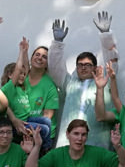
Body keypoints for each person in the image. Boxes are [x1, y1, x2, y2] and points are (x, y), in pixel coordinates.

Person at [49, 14, 117, 149]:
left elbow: (112, 61)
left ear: (95, 67)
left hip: (96, 141)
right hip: (68, 142)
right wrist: (57, 44)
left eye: (87, 65)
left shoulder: (104, 82)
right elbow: (55, 68)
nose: (83, 68)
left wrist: (106, 35)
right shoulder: (69, 83)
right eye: (80, 65)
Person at [0, 38, 53, 151]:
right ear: (10, 75)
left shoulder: (23, 87)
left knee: (47, 122)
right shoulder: (9, 88)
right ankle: (44, 148)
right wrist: (21, 52)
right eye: (20, 74)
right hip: (17, 124)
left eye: (24, 75)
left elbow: (26, 67)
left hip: (27, 119)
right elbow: (19, 67)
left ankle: (46, 146)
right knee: (44, 129)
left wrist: (26, 52)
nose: (23, 76)